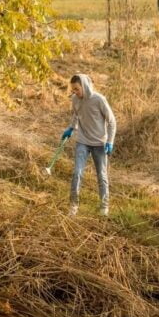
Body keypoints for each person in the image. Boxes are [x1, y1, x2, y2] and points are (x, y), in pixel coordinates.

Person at [61, 74, 116, 217]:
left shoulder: (99, 100)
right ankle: (73, 206)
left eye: (77, 89)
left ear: (85, 86)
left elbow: (112, 122)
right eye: (73, 90)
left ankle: (104, 207)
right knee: (77, 173)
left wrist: (110, 141)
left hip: (99, 143)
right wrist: (71, 128)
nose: (74, 92)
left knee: (101, 175)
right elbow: (76, 115)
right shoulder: (75, 99)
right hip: (82, 141)